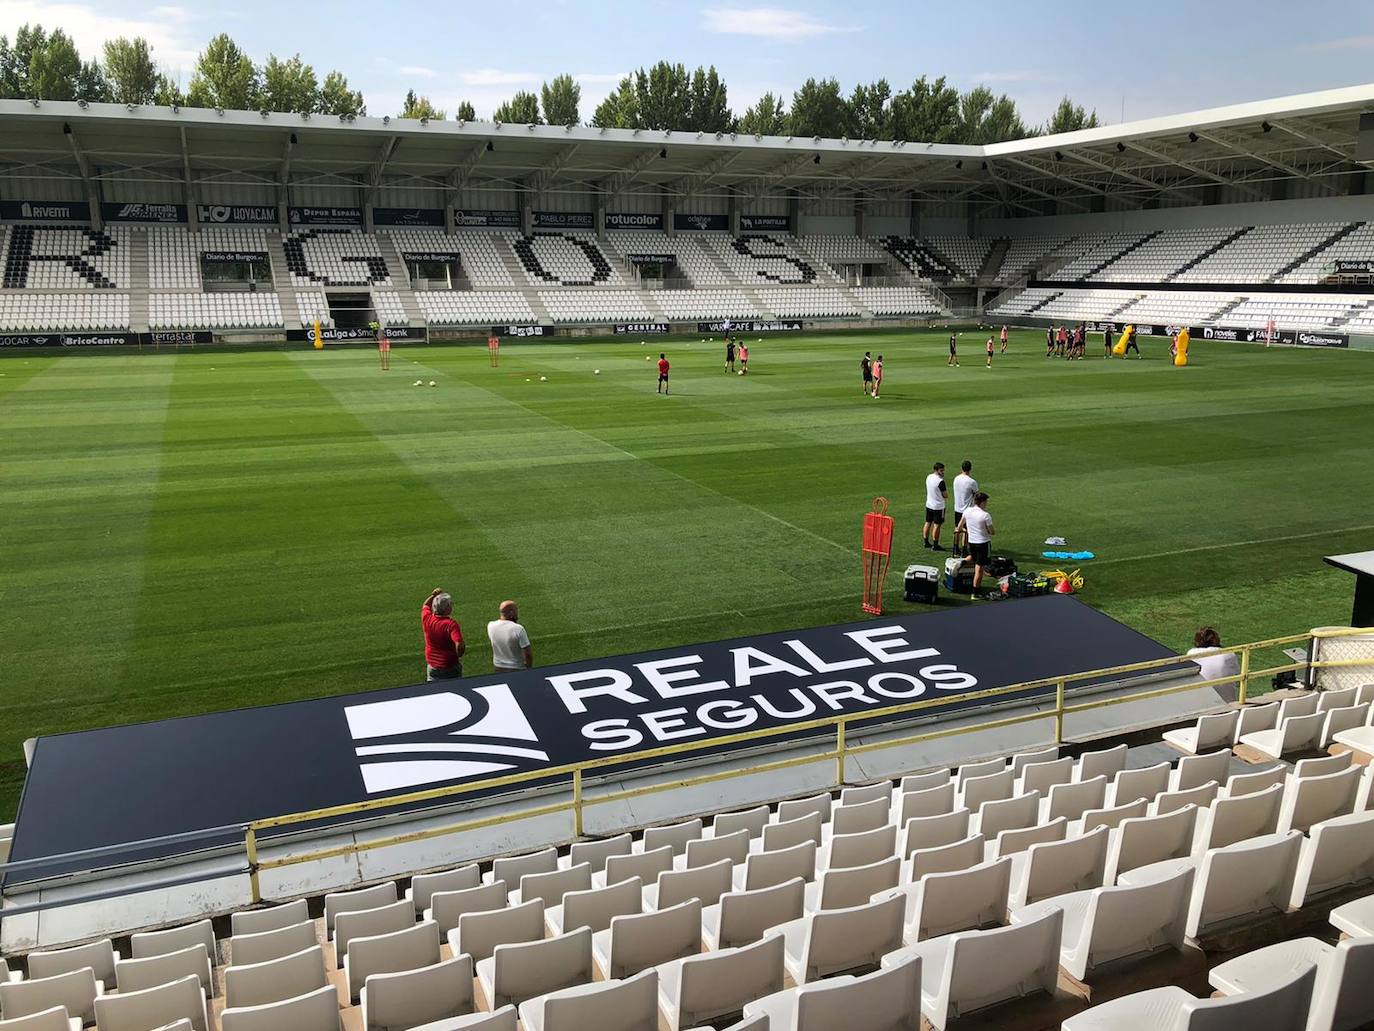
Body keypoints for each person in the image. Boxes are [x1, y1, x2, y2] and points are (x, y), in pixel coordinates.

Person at [956, 492, 995, 598]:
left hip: (972, 542)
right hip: (983, 543)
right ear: (982, 502)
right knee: (979, 568)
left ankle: (961, 563)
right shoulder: (985, 515)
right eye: (986, 501)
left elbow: (959, 527)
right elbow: (992, 532)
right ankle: (975, 592)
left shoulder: (967, 511)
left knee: (973, 557)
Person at [1187, 626, 1241, 702]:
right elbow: (1238, 675)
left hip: (1200, 705)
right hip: (1228, 704)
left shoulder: (1191, 653)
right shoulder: (1228, 654)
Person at [422, 588, 465, 681]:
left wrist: (433, 595)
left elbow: (425, 605)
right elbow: (459, 645)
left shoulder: (427, 618)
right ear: (446, 609)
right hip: (449, 666)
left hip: (432, 666)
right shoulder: (450, 624)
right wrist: (458, 654)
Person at [488, 600, 533, 673]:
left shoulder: (490, 626)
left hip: (498, 668)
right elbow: (527, 653)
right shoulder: (518, 629)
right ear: (511, 613)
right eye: (516, 611)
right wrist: (529, 667)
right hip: (517, 668)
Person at [951, 459, 978, 551]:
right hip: (968, 510)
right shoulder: (972, 482)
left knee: (957, 528)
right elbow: (976, 495)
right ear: (970, 469)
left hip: (957, 508)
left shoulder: (956, 478)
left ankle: (955, 547)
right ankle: (964, 548)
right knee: (967, 531)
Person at [922, 461, 948, 551]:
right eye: (941, 471)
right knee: (937, 525)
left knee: (928, 522)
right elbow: (945, 495)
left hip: (929, 504)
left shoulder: (929, 477)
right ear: (936, 470)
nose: (943, 472)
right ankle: (935, 544)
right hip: (938, 506)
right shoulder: (940, 482)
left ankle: (925, 542)